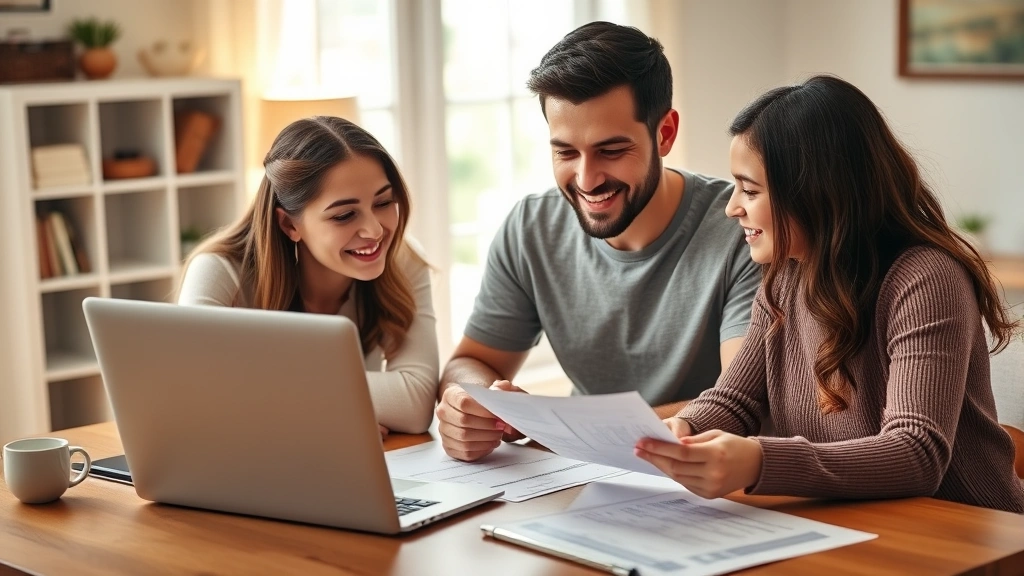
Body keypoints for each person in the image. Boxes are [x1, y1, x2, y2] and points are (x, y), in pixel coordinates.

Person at [634, 75, 1024, 513]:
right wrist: (680, 430)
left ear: (814, 192)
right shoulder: (785, 278)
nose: (732, 207)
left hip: (974, 532)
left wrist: (761, 460)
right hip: (859, 520)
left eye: (750, 190)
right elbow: (735, 400)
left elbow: (917, 453)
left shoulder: (925, 279)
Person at [436, 22, 761, 462]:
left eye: (611, 150)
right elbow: (467, 364)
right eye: (566, 152)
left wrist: (565, 430)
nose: (587, 180)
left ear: (664, 134)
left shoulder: (743, 229)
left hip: (707, 486)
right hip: (577, 477)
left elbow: (742, 401)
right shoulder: (530, 229)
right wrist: (471, 403)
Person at [178, 116, 439, 436]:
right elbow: (194, 401)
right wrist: (328, 412)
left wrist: (262, 387)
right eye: (344, 215)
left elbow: (415, 403)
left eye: (383, 202)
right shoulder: (218, 270)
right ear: (290, 225)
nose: (374, 231)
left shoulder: (402, 259)